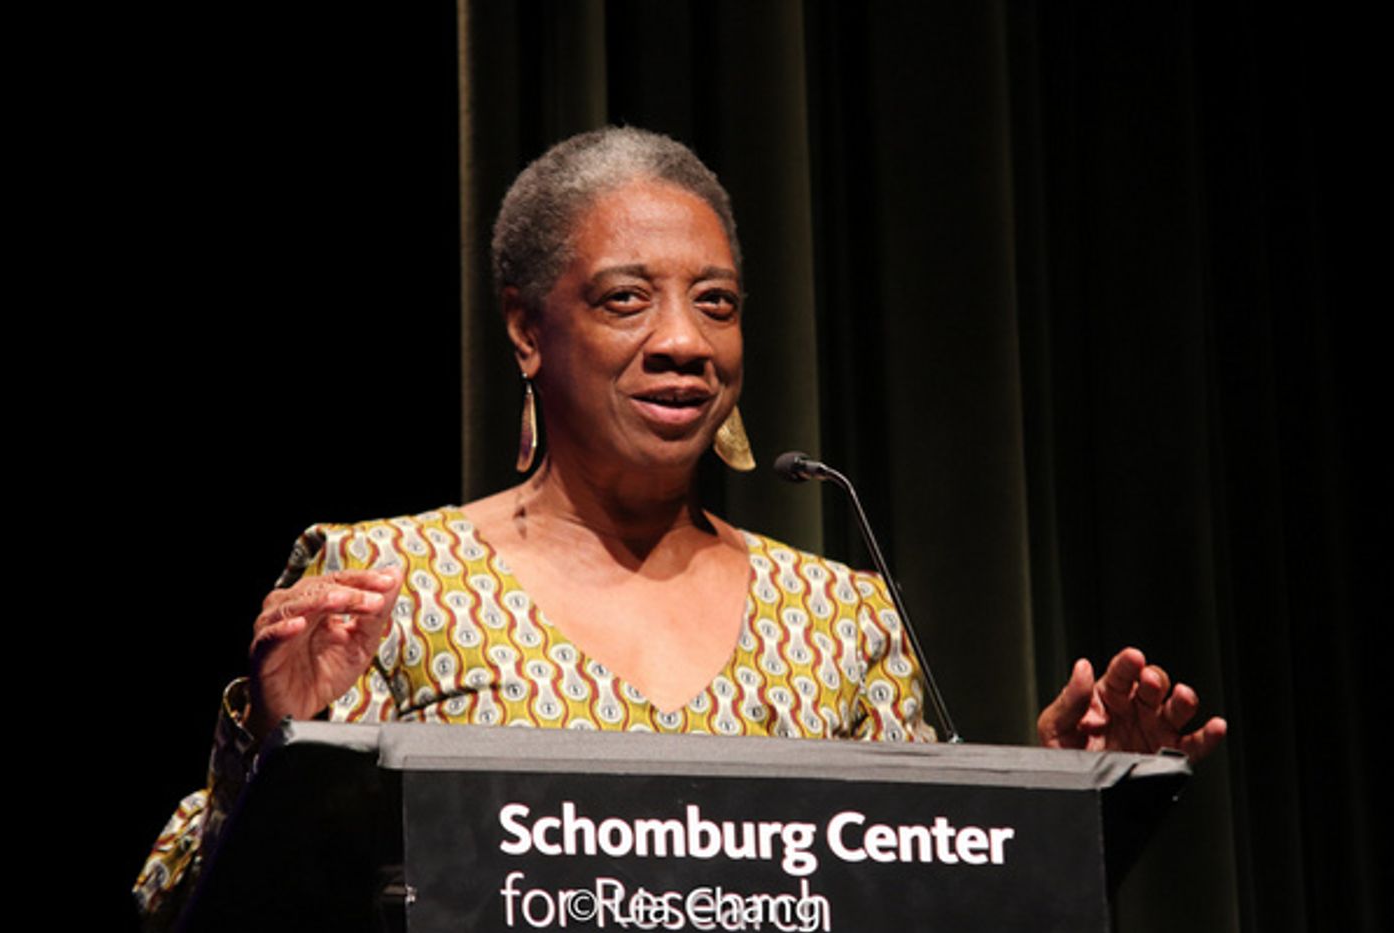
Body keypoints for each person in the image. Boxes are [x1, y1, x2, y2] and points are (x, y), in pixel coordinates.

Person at [134, 126, 1225, 923]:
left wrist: (1056, 808)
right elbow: (178, 903)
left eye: (716, 301)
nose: (684, 344)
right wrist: (277, 748)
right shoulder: (386, 580)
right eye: (624, 299)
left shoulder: (837, 616)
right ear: (526, 330)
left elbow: (920, 898)